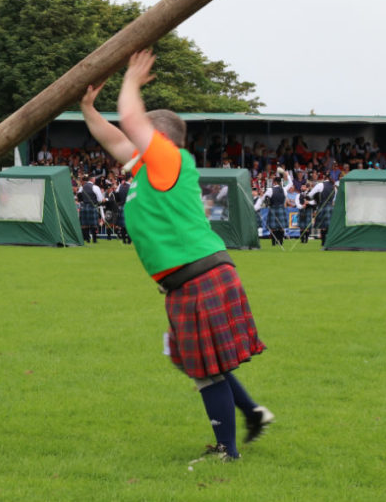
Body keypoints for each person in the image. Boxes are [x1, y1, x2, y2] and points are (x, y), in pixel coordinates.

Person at [80, 49, 271, 462]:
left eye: (141, 137)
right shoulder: (149, 170)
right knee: (202, 362)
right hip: (193, 278)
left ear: (156, 138)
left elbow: (130, 121)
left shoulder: (169, 159)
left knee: (203, 368)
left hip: (197, 277)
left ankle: (227, 450)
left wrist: (131, 80)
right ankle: (252, 413)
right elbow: (114, 137)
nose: (131, 141)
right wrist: (87, 108)